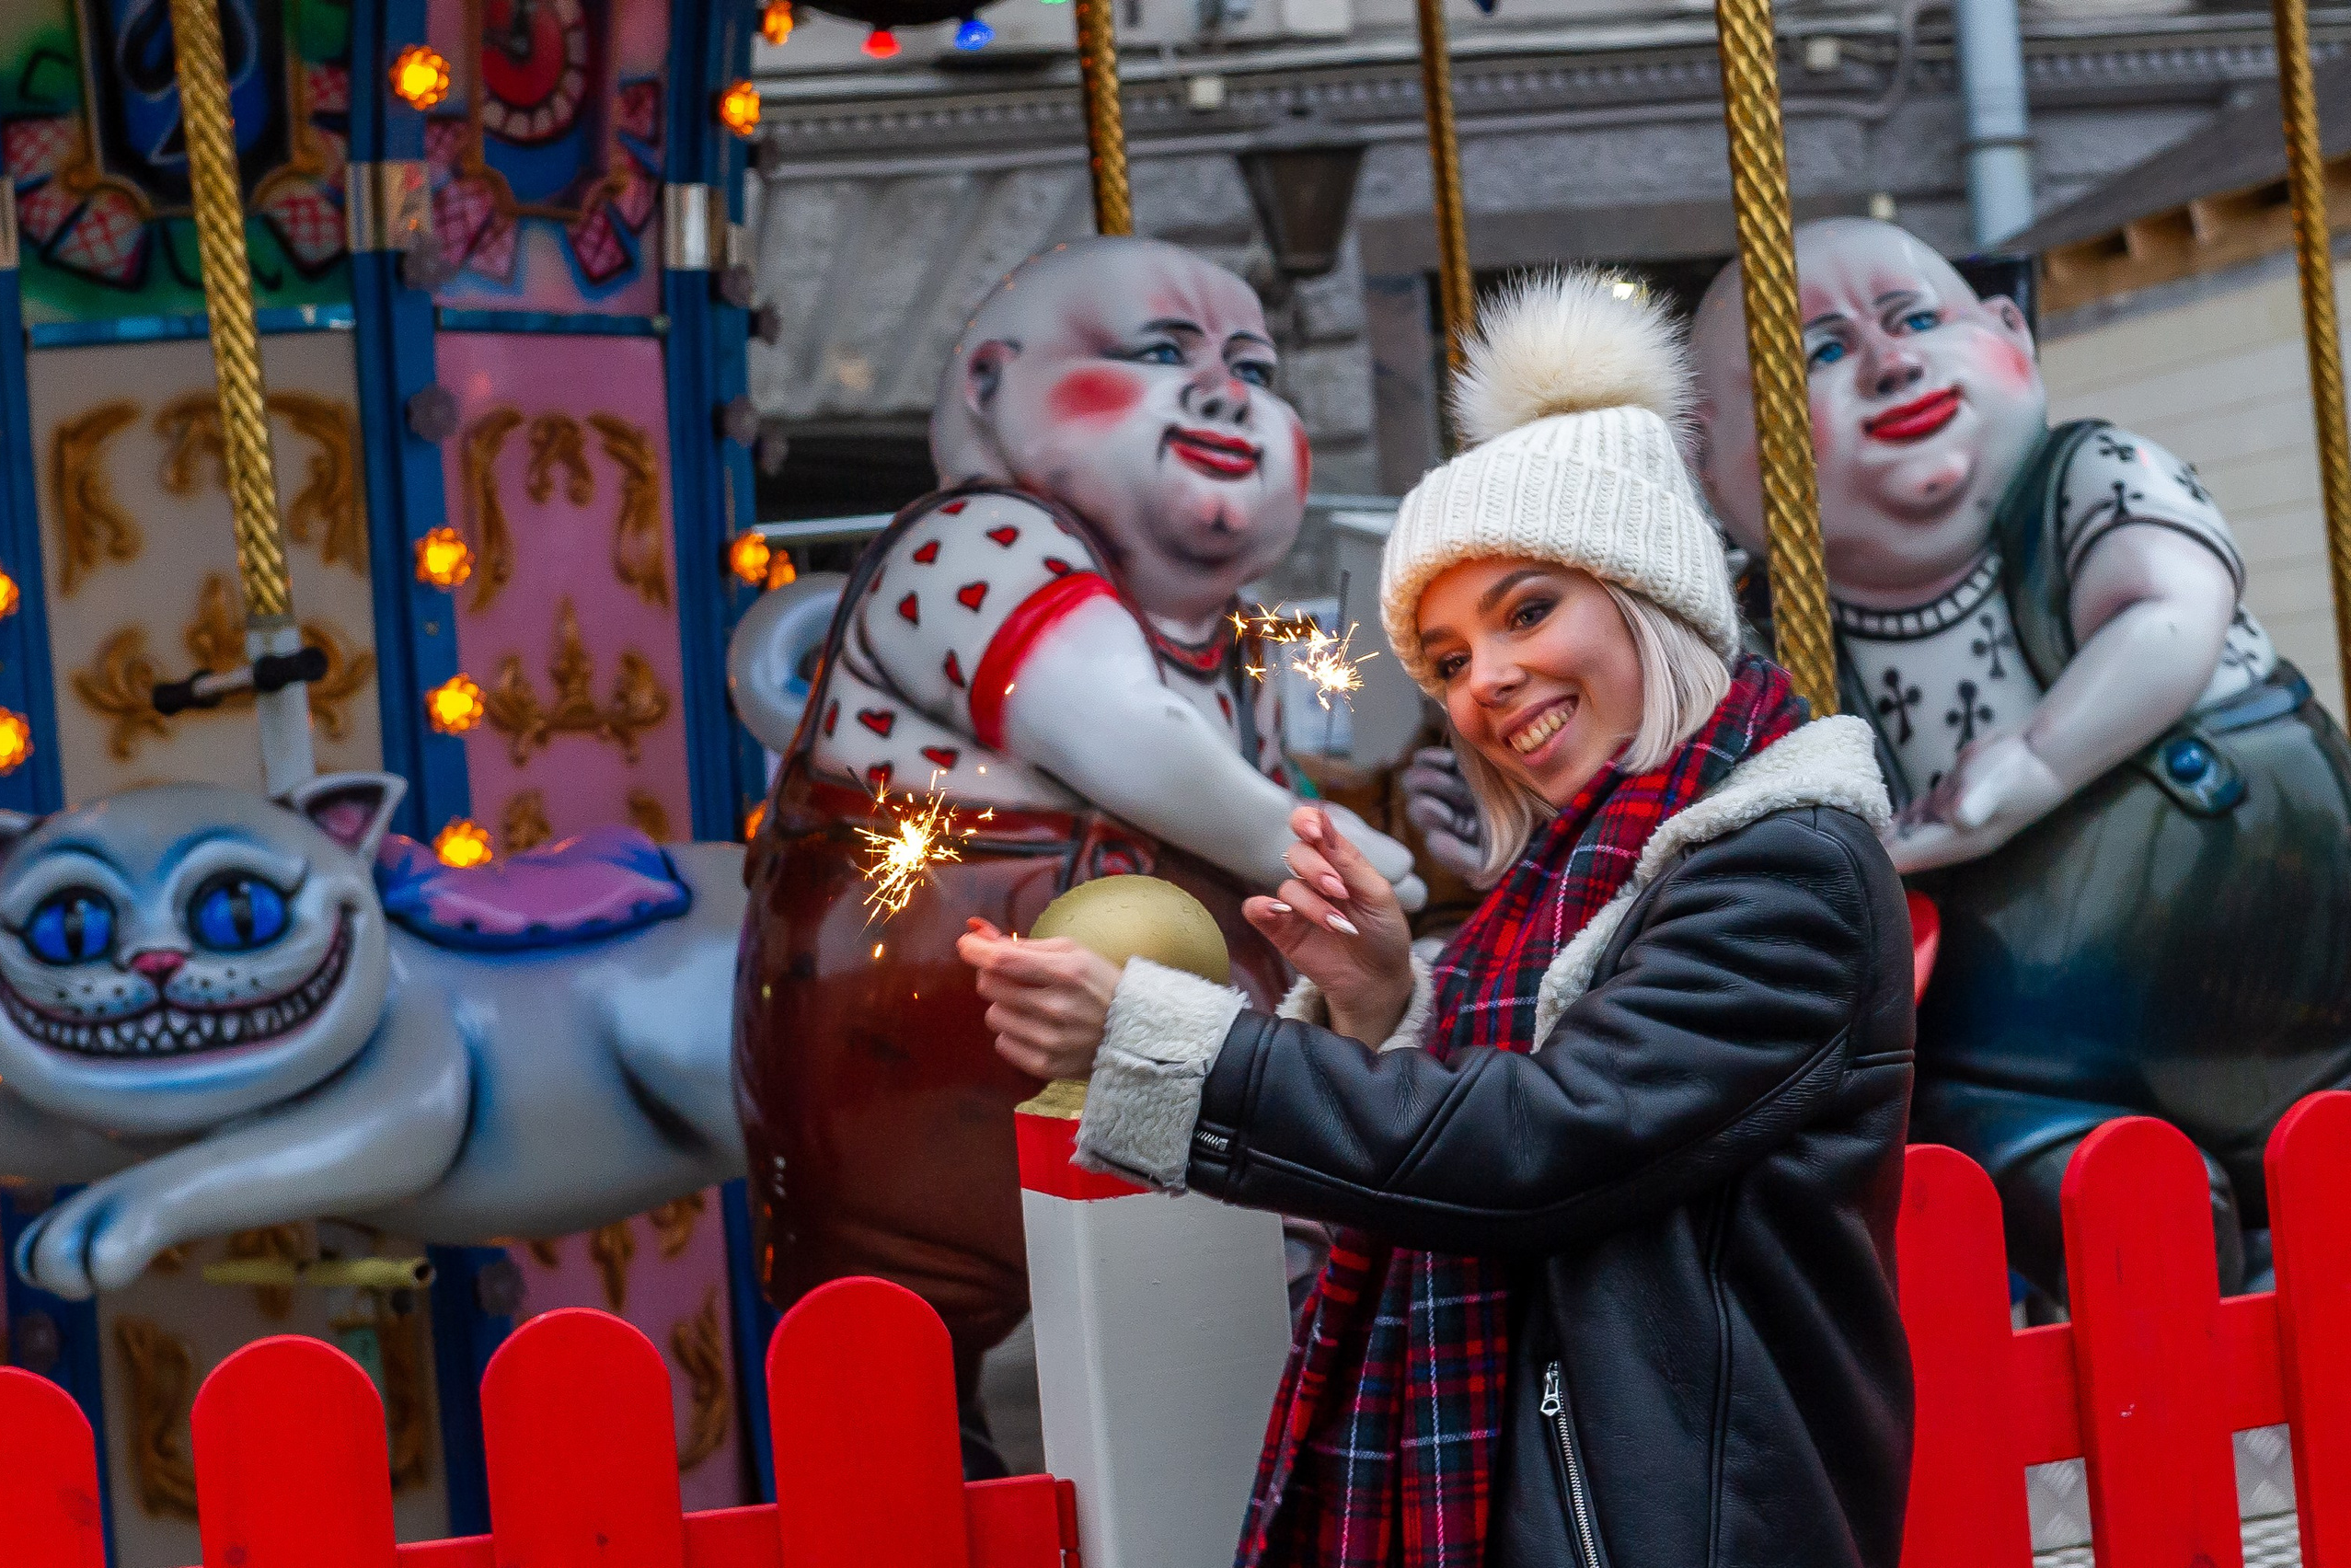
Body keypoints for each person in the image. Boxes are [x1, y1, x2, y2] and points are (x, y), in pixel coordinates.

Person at [960, 273, 1917, 1568]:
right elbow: (1528, 1114)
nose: (1490, 683)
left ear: (1653, 600)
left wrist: (1176, 1045)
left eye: (1529, 611)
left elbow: (1547, 1144)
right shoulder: (1586, 871)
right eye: (1451, 660)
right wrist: (1380, 1003)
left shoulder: (1783, 866)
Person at [732, 236, 1423, 1476]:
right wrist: (1323, 846)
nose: (1223, 393)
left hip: (1144, 1064)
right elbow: (1122, 734)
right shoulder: (973, 543)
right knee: (896, 1390)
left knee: (1216, 1365)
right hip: (929, 1060)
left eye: (1252, 367)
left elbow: (1276, 757)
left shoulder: (1228, 633)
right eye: (1160, 355)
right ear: (992, 384)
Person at [1688, 216, 2351, 1305]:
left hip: (2290, 961)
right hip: (2029, 1067)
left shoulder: (2092, 476)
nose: (1892, 361)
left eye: (1914, 320)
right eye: (1819, 354)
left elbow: (2167, 608)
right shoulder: (1769, 641)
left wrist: (2036, 763)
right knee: (2047, 1188)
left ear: (2010, 334)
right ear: (1708, 462)